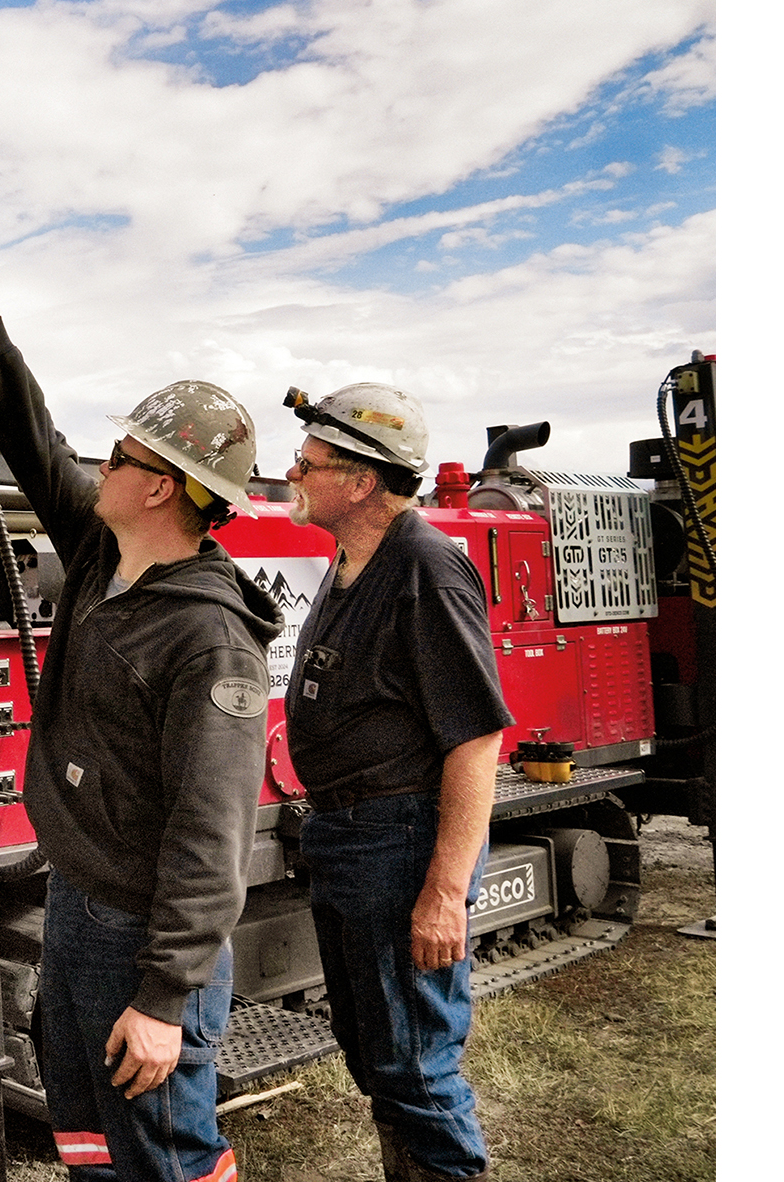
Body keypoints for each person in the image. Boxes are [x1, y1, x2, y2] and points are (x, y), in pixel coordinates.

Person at [0, 249, 279, 1182]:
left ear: (162, 485)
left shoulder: (209, 640)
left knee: (165, 1154)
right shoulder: (102, 554)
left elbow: (213, 835)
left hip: (144, 935)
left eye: (121, 455)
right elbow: (30, 437)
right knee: (88, 1139)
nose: (100, 464)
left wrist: (166, 1001)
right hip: (80, 907)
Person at [279, 383, 514, 1182]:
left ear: (361, 481)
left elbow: (476, 739)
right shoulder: (351, 559)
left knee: (415, 1064)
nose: (291, 473)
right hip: (348, 838)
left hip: (398, 840)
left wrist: (445, 892)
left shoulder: (424, 567)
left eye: (308, 464)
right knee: (376, 1053)